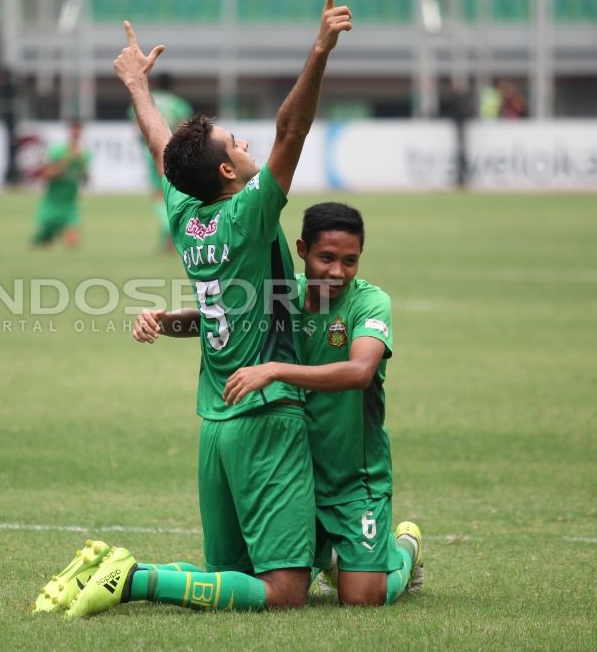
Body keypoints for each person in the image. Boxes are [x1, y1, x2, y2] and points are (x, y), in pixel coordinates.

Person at [34, 0, 352, 618]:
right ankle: (136, 576)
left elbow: (162, 148)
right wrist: (319, 50)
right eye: (238, 144)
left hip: (214, 425)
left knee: (230, 581)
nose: (248, 147)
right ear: (230, 176)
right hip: (264, 414)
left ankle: (108, 570)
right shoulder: (247, 218)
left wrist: (136, 87)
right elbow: (293, 127)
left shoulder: (186, 213)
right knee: (286, 594)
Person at [142, 202, 425, 607]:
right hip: (295, 472)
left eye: (350, 261)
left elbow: (360, 370)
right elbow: (213, 317)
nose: (337, 272)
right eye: (326, 258)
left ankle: (403, 552)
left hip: (352, 478)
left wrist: (275, 370)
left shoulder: (370, 302)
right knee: (264, 576)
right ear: (302, 250)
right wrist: (163, 320)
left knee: (363, 599)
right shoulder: (280, 293)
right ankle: (330, 555)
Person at [128, 73, 193, 252]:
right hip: (174, 152)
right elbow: (184, 129)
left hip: (153, 152)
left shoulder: (146, 102)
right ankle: (171, 239)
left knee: (159, 194)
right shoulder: (179, 104)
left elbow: (136, 125)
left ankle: (168, 229)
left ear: (156, 84)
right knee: (174, 192)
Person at [30, 119, 90, 249]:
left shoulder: (85, 154)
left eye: (79, 131)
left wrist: (82, 167)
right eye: (74, 130)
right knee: (43, 244)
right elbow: (47, 175)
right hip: (52, 203)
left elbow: (85, 180)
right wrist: (68, 160)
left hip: (69, 205)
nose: (76, 134)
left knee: (72, 243)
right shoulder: (57, 150)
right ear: (69, 132)